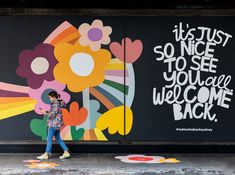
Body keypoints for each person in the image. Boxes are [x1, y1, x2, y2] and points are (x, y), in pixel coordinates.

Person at [37, 91, 70, 160]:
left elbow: (52, 115)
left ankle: (46, 154)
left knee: (49, 139)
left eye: (50, 97)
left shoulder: (55, 104)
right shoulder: (57, 103)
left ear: (54, 97)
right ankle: (66, 152)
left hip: (53, 124)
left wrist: (44, 113)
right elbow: (54, 113)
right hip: (57, 124)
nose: (49, 99)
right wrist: (47, 112)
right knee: (58, 138)